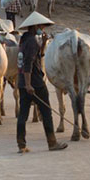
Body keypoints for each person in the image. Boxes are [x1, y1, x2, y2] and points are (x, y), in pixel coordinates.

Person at [16, 11, 67, 153]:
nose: (43, 29)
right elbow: (28, 64)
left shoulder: (25, 39)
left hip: (22, 82)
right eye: (42, 26)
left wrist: (43, 44)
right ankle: (52, 142)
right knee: (46, 112)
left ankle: (21, 144)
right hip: (35, 83)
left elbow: (37, 58)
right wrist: (28, 84)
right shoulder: (32, 42)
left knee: (23, 114)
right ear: (36, 26)